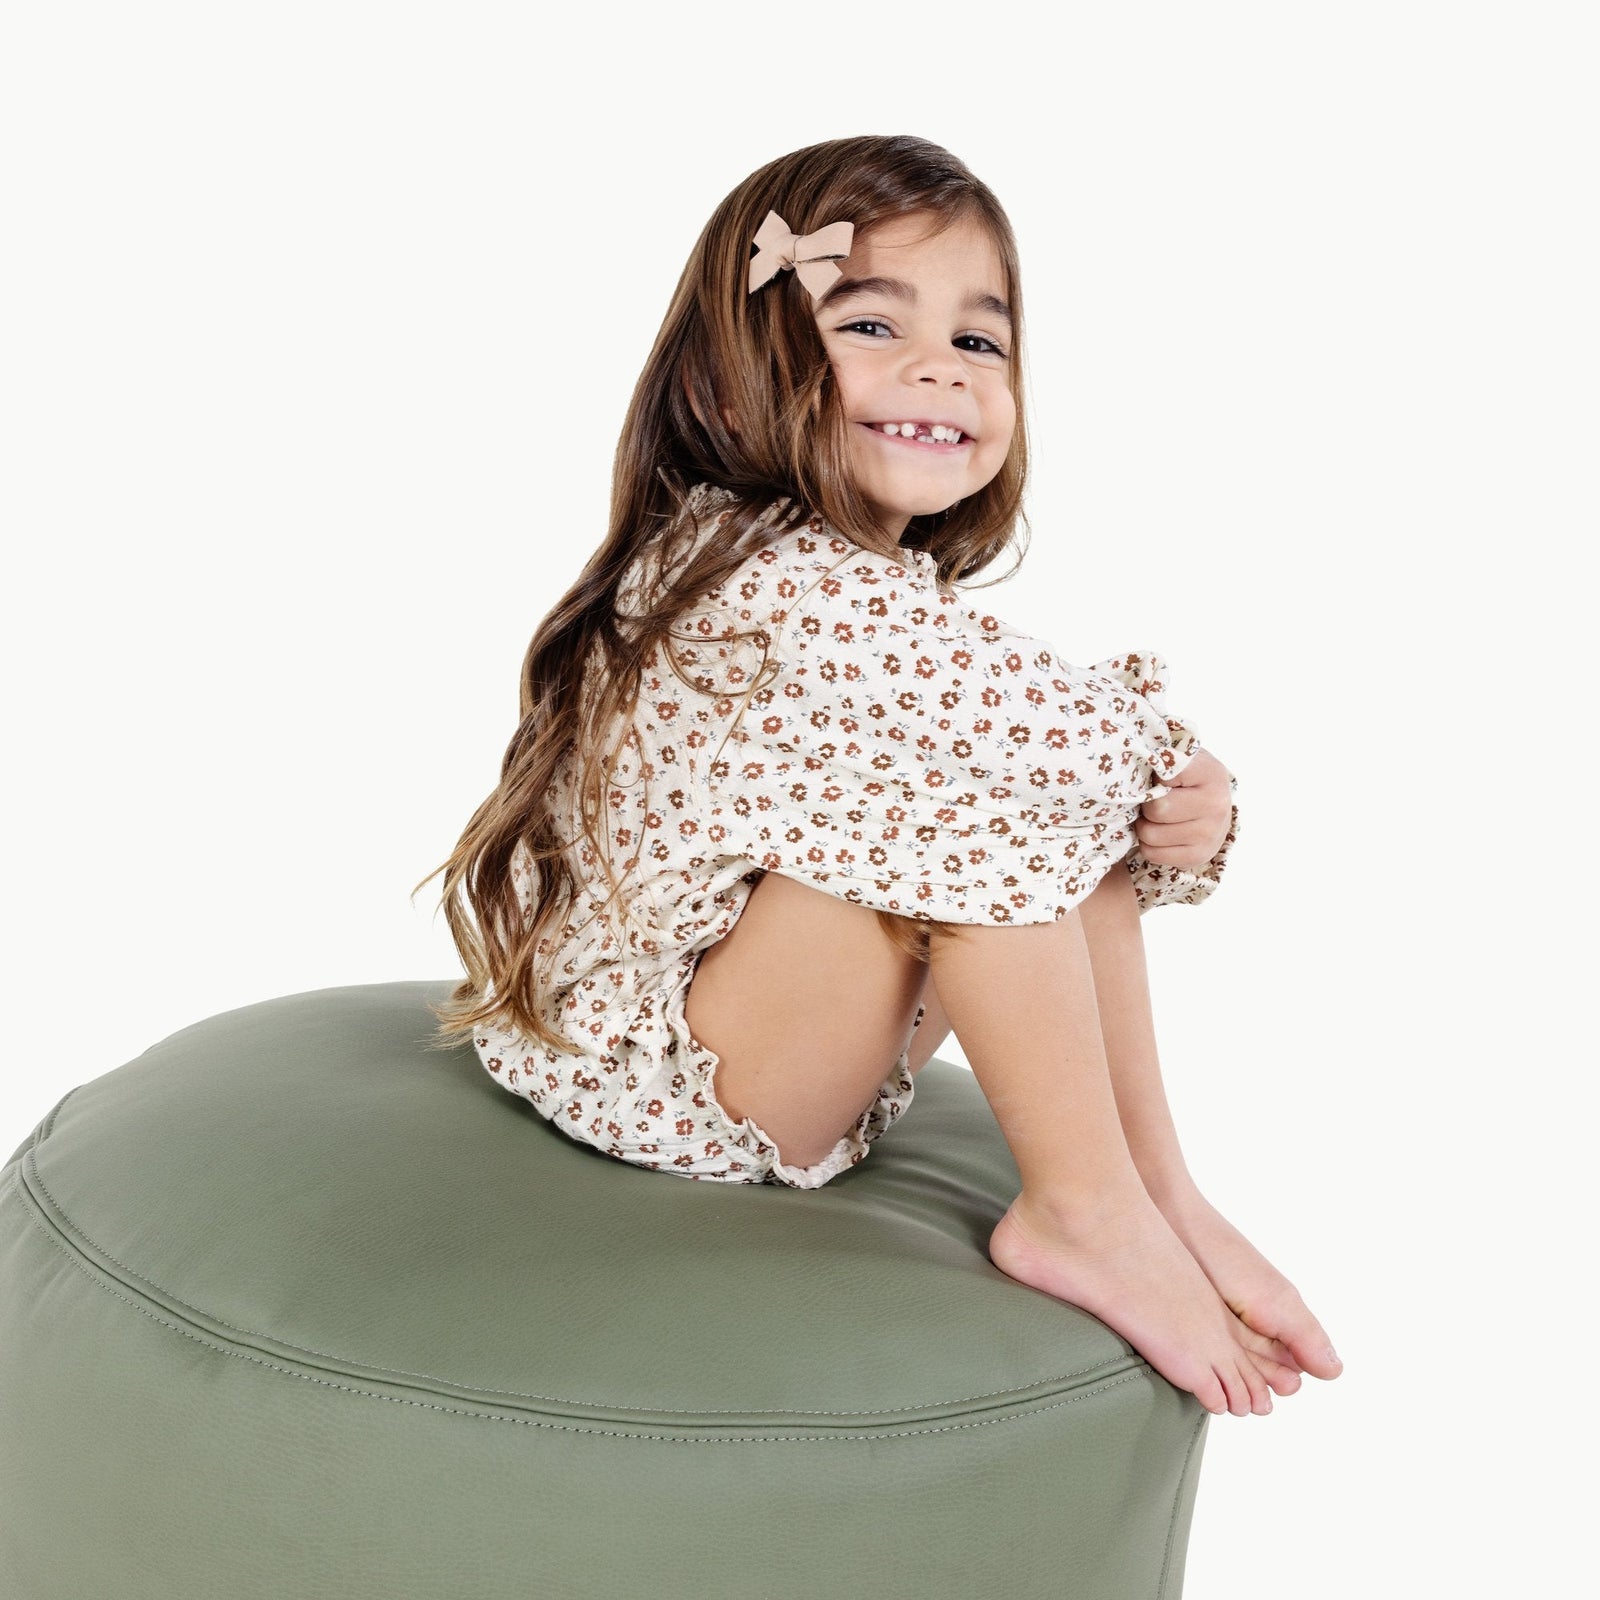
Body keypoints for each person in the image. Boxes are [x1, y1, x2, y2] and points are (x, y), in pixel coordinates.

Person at [426, 134, 1343, 1419]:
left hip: (748, 1045)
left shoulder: (841, 582)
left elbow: (1041, 741)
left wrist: (1168, 803)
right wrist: (1179, 776)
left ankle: (1153, 1189)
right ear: (732, 390)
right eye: (869, 323)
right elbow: (1047, 736)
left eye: (978, 340)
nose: (939, 368)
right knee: (980, 800)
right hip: (662, 1089)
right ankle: (1082, 1211)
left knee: (1000, 786)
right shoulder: (765, 578)